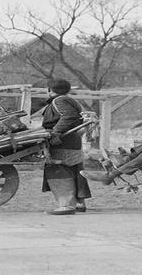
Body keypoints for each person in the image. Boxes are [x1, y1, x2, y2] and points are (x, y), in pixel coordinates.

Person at [41, 78, 92, 215]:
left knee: (58, 169)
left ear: (50, 90)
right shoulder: (69, 99)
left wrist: (56, 131)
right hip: (72, 140)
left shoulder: (59, 100)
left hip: (62, 141)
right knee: (75, 170)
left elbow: (69, 115)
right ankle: (79, 203)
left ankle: (66, 205)